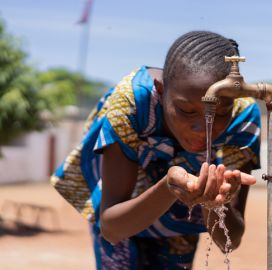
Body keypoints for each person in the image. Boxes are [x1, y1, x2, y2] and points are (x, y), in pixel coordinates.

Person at [51, 30, 261, 269]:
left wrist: (214, 203)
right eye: (186, 111)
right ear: (161, 91)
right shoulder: (132, 102)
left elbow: (229, 241)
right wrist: (169, 188)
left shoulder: (243, 118)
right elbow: (111, 228)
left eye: (220, 113)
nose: (201, 130)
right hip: (126, 213)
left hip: (179, 221)